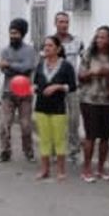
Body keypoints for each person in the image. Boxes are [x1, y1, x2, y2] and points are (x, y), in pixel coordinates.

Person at [78, 26, 109, 183]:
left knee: (105, 136)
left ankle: (101, 168)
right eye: (97, 37)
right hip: (89, 99)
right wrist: (93, 73)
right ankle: (87, 168)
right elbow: (80, 75)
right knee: (90, 135)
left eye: (103, 37)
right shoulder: (88, 54)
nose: (99, 40)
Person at [32, 36, 76, 180]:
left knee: (59, 140)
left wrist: (58, 86)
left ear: (58, 48)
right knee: (44, 139)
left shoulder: (66, 66)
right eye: (45, 45)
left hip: (58, 108)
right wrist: (33, 88)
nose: (46, 48)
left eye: (50, 46)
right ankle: (45, 170)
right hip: (41, 107)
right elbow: (36, 84)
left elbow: (73, 86)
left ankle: (61, 171)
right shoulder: (40, 64)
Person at [0, 18, 37, 163]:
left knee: (26, 125)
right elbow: (2, 69)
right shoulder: (4, 50)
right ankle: (5, 152)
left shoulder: (30, 50)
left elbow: (27, 67)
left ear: (23, 34)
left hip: (24, 93)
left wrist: (9, 64)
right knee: (4, 124)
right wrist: (13, 67)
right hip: (8, 93)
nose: (13, 36)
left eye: (16, 33)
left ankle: (28, 151)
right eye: (11, 33)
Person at [53, 12, 85, 162]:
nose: (64, 25)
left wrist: (83, 74)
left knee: (74, 120)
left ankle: (73, 151)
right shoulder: (50, 42)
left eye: (66, 22)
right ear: (55, 23)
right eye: (60, 22)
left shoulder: (77, 41)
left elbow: (85, 59)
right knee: (57, 119)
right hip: (55, 86)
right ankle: (55, 151)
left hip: (72, 86)